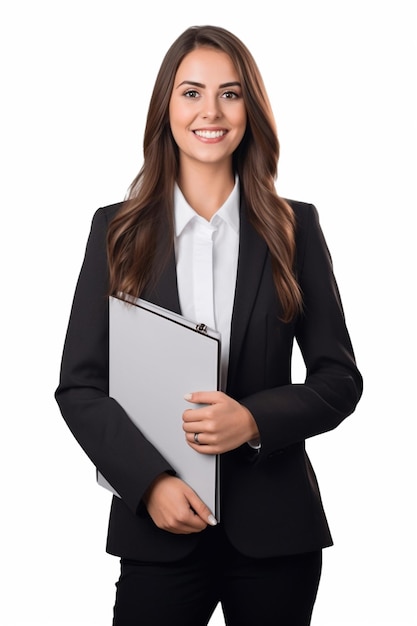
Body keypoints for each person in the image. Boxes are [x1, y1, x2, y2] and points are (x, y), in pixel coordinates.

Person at [55, 24, 363, 626]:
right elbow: (80, 386)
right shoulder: (115, 231)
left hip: (277, 534)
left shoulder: (294, 227)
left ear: (251, 108)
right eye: (191, 93)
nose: (211, 112)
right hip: (159, 534)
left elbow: (339, 378)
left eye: (231, 93)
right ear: (165, 108)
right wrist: (147, 484)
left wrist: (253, 420)